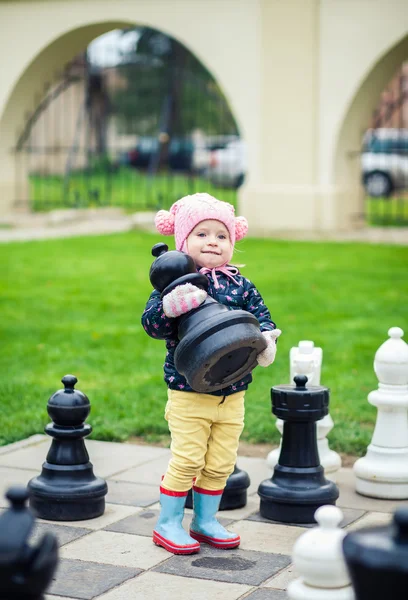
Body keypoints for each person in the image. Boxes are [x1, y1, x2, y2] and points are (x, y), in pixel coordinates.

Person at [142, 193, 280, 555]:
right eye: (202, 234)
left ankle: (205, 520)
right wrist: (169, 307)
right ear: (183, 242)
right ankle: (168, 523)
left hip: (233, 392)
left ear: (232, 242)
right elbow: (152, 325)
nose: (213, 242)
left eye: (221, 235)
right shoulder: (175, 284)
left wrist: (266, 339)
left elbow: (262, 316)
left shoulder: (240, 285)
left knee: (220, 461)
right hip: (189, 392)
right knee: (188, 459)